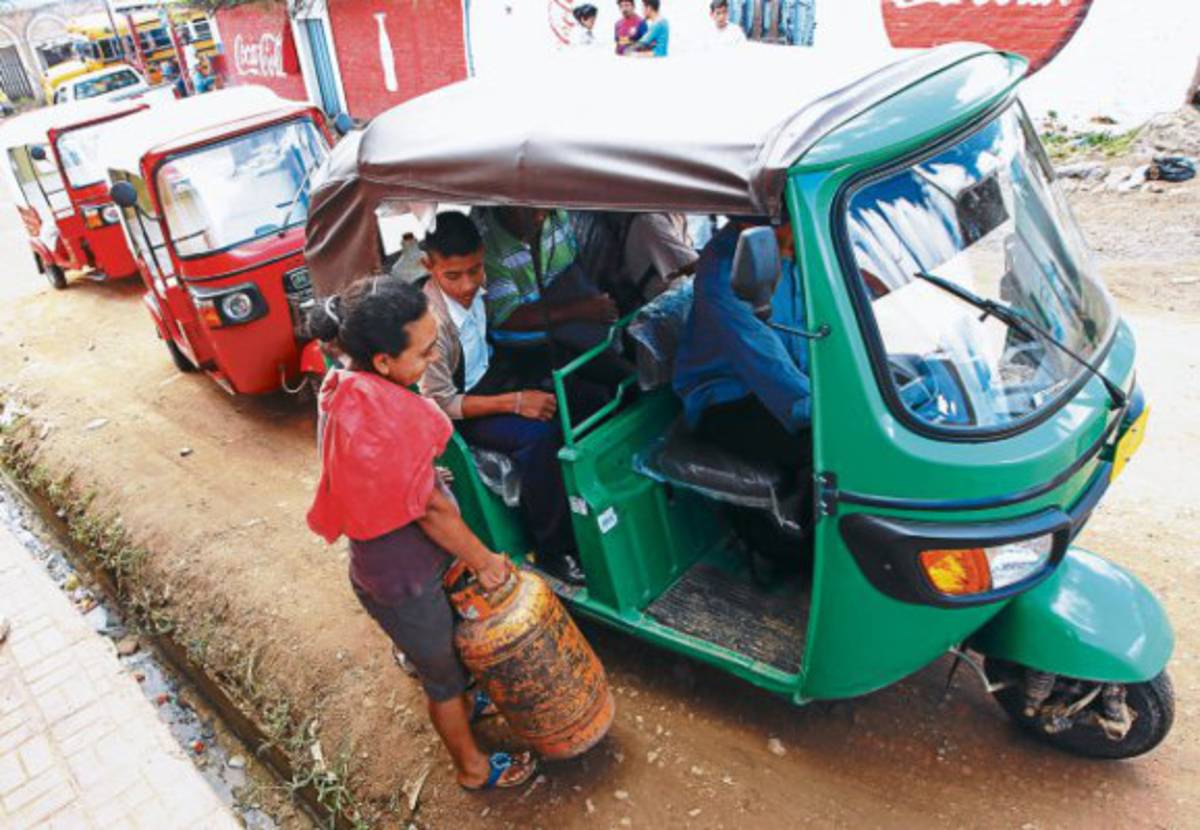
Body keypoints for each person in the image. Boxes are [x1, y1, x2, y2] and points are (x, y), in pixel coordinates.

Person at [307, 275, 537, 791]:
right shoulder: (390, 413)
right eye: (425, 351)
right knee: (443, 681)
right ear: (384, 361)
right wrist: (486, 562)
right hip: (405, 583)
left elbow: (370, 471)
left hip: (387, 569)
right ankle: (472, 767)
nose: (434, 359)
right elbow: (431, 511)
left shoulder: (345, 384)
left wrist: (421, 476)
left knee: (445, 659)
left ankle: (459, 695)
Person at [418, 212, 588, 585]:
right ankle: (552, 548)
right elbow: (441, 404)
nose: (467, 285)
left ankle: (586, 513)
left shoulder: (481, 287)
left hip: (495, 377)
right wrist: (514, 402)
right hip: (462, 410)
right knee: (539, 438)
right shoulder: (432, 324)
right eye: (453, 276)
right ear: (427, 266)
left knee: (579, 390)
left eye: (475, 270)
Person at [672, 209, 811, 468]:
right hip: (729, 397)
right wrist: (831, 415)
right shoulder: (725, 274)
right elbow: (769, 367)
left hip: (793, 374)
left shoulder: (799, 243)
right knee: (823, 453)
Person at [473, 206, 632, 386]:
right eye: (529, 209)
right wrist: (580, 310)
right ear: (504, 205)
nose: (540, 216)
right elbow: (506, 318)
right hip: (529, 344)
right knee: (612, 383)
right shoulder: (488, 248)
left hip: (572, 317)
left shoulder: (556, 216)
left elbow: (571, 265)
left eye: (544, 208)